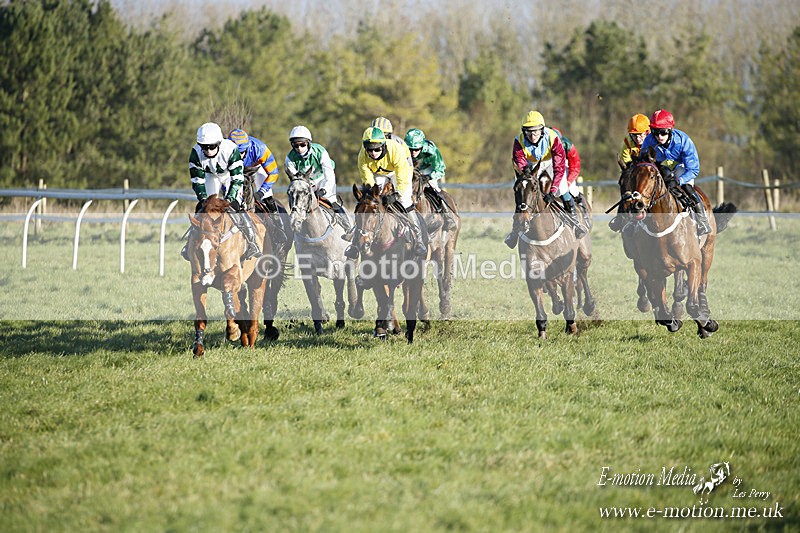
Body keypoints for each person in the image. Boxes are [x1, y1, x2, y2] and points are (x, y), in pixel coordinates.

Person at [504, 110, 587, 249]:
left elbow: (559, 167)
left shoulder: (553, 138)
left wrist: (552, 192)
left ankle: (575, 222)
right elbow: (520, 161)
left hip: (550, 164)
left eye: (536, 131)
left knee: (562, 188)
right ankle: (515, 231)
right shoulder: (518, 140)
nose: (532, 135)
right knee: (523, 191)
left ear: (542, 130)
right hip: (529, 167)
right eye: (528, 132)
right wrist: (527, 174)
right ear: (523, 131)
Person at [345, 126, 427, 259]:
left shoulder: (395, 150)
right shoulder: (362, 156)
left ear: (383, 145)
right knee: (368, 205)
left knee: (405, 201)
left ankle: (418, 239)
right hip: (380, 173)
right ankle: (355, 242)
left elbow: (403, 177)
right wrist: (373, 196)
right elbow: (368, 179)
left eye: (377, 149)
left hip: (399, 172)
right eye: (369, 149)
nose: (373, 153)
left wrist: (397, 194)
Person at [183, 122, 261, 261]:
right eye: (204, 147)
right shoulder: (195, 153)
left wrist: (229, 200)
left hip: (229, 176)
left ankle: (251, 242)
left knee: (237, 206)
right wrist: (204, 200)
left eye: (211, 146)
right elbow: (197, 181)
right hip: (210, 176)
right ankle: (189, 242)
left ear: (218, 143)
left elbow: (237, 179)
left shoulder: (231, 149)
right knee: (202, 208)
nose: (207, 150)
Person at [639, 109, 711, 235]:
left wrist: (679, 181)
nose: (659, 137)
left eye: (663, 132)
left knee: (687, 187)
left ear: (670, 130)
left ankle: (702, 221)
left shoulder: (684, 141)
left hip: (682, 168)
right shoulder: (649, 140)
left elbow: (693, 169)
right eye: (655, 132)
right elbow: (643, 164)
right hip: (661, 168)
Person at [284, 125, 352, 234]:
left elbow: (329, 175)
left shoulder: (320, 152)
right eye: (295, 145)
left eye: (302, 145)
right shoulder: (289, 159)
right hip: (306, 183)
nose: (299, 149)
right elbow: (296, 181)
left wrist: (324, 190)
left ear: (309, 143)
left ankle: (348, 228)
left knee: (331, 202)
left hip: (323, 178)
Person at [403, 128, 457, 230]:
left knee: (433, 186)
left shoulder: (431, 151)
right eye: (410, 149)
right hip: (411, 170)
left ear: (422, 146)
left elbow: (440, 169)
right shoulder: (402, 150)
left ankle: (447, 215)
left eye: (416, 149)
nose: (413, 152)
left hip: (428, 170)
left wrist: (430, 176)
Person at [609, 113, 650, 232]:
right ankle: (620, 217)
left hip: (651, 171)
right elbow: (627, 165)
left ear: (647, 132)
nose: (637, 139)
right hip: (635, 172)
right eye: (634, 135)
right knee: (625, 184)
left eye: (640, 135)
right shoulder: (626, 143)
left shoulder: (653, 140)